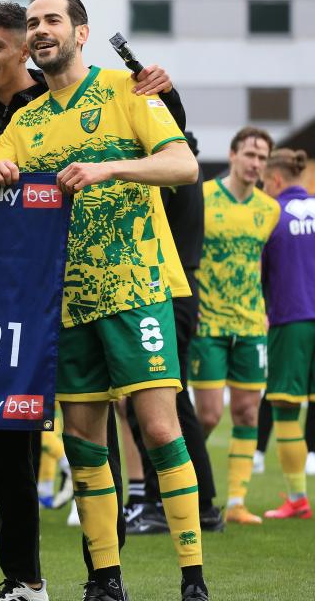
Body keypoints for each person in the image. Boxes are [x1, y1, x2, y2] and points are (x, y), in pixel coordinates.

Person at [0, 0, 206, 601]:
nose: (41, 30)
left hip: (138, 287)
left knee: (159, 430)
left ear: (81, 32)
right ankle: (105, 580)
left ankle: (193, 579)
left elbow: (183, 164)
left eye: (53, 19)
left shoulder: (124, 91)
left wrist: (110, 168)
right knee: (83, 441)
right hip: (67, 303)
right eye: (33, 24)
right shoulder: (24, 123)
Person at [123, 131, 223, 535]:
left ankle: (172, 503)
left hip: (167, 291)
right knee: (168, 400)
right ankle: (193, 504)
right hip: (176, 291)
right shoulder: (186, 166)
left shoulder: (172, 171)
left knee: (160, 402)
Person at [189, 127, 280, 525]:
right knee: (207, 416)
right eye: (250, 154)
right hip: (208, 323)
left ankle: (238, 502)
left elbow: (260, 262)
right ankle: (183, 483)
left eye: (262, 158)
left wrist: (264, 308)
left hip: (250, 324)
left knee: (246, 412)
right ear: (232, 154)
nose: (256, 163)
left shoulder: (268, 209)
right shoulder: (205, 198)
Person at [259, 147, 314, 520]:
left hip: (292, 320)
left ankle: (297, 498)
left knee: (285, 408)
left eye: (265, 182)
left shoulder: (272, 215)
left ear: (276, 179)